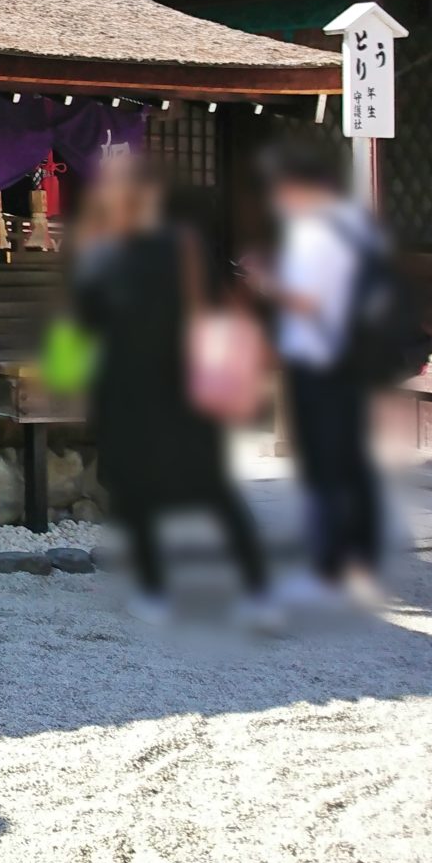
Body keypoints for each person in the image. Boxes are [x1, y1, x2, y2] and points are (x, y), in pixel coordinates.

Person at [70, 152, 278, 628]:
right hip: (188, 386)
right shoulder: (187, 245)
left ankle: (155, 590)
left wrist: (62, 377)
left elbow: (83, 324)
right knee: (210, 487)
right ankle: (257, 591)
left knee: (136, 490)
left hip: (132, 389)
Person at [249, 139, 386, 604]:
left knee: (326, 463)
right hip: (351, 356)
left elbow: (309, 299)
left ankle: (329, 568)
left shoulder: (316, 232)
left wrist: (267, 282)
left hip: (322, 359)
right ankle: (361, 560)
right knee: (350, 461)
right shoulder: (351, 225)